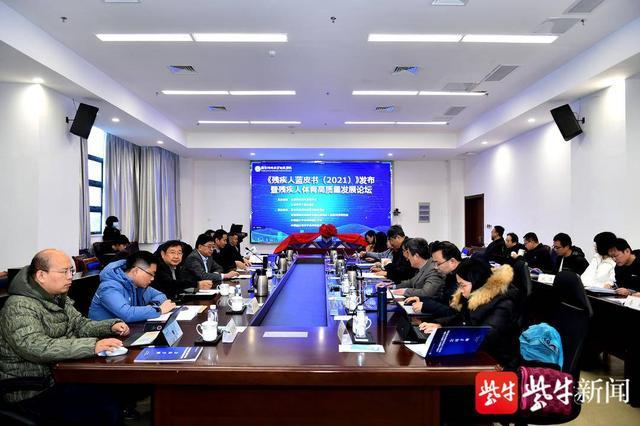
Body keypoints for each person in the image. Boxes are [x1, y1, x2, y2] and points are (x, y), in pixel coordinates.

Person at [0, 249, 128, 425]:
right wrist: (92, 346)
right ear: (41, 275)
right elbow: (35, 346)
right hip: (31, 389)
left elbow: (79, 325)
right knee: (103, 408)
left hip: (59, 376)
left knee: (113, 394)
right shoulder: (19, 306)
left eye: (71, 271)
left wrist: (110, 326)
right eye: (64, 272)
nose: (70, 277)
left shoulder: (57, 297)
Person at [418, 258, 520, 369]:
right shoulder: (475, 295)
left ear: (477, 281)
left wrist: (448, 339)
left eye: (463, 285)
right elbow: (462, 319)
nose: (460, 290)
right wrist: (441, 326)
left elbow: (484, 337)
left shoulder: (503, 303)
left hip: (497, 362)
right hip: (477, 354)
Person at [88, 251, 175, 322]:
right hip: (103, 336)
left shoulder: (137, 285)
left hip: (127, 330)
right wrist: (159, 310)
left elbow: (160, 295)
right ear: (136, 271)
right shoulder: (109, 287)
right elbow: (127, 314)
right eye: (151, 274)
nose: (152, 278)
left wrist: (152, 305)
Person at [404, 241, 461, 318]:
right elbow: (444, 300)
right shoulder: (451, 275)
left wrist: (426, 306)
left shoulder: (465, 278)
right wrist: (421, 299)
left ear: (452, 261)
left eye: (438, 263)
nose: (436, 267)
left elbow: (455, 313)